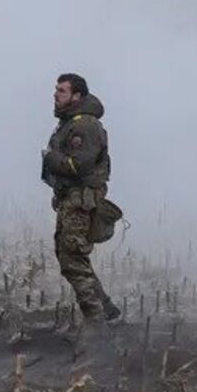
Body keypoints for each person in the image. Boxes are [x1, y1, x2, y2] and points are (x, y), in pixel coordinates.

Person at [42, 72, 120, 322]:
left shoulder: (85, 125)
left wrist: (51, 159)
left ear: (77, 96)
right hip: (71, 199)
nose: (56, 94)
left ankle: (96, 323)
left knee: (72, 260)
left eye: (62, 90)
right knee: (71, 256)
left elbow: (79, 166)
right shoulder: (70, 123)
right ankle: (106, 310)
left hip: (80, 201)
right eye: (56, 89)